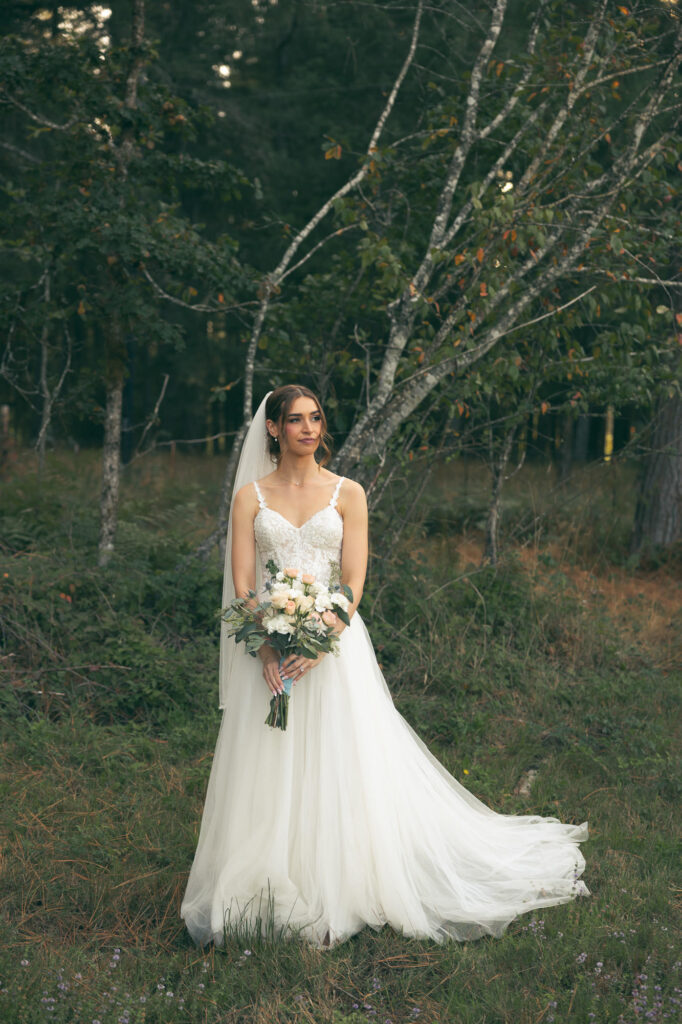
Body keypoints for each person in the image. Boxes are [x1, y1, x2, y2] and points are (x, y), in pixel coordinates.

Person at [180, 384, 588, 950]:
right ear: (272, 429)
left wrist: (321, 638)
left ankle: (339, 881)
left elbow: (353, 579)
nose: (308, 428)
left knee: (341, 761)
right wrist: (269, 646)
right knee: (268, 763)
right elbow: (245, 586)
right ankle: (270, 878)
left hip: (334, 649)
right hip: (272, 657)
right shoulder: (250, 497)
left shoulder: (348, 492)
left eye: (316, 418)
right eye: (295, 420)